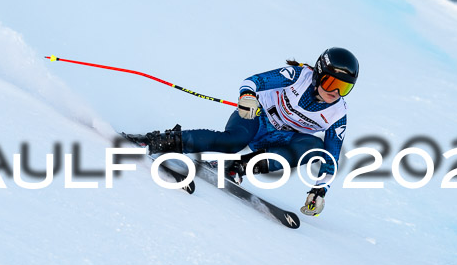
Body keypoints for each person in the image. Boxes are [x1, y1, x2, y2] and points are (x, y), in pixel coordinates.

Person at [142, 47, 359, 217]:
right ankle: (166, 141)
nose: (335, 92)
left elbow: (331, 157)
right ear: (318, 76)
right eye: (331, 83)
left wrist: (320, 190)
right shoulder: (297, 75)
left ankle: (236, 167)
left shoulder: (337, 114)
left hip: (280, 140)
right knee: (234, 141)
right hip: (256, 117)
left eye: (345, 88)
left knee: (315, 148)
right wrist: (247, 96)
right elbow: (253, 81)